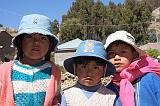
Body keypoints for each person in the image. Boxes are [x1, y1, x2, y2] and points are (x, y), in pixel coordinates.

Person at [0, 14, 61, 106]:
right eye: (29, 36)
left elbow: (56, 99)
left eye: (43, 37)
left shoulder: (54, 72)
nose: (36, 42)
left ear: (50, 45)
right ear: (20, 42)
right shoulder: (4, 70)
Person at [104, 30, 160, 106]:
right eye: (111, 53)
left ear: (134, 55)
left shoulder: (150, 78)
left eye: (123, 52)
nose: (117, 57)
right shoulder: (109, 86)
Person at [61, 40, 120, 106]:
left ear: (104, 70)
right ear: (75, 69)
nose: (89, 73)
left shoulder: (110, 97)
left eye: (95, 68)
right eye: (84, 67)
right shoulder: (68, 95)